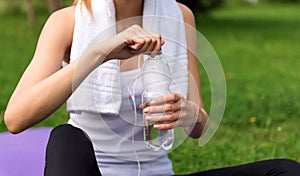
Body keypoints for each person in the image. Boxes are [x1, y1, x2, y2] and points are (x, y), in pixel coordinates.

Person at [4, 0, 300, 175]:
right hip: (94, 170)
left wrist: (191, 113)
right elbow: (16, 118)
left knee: (284, 170)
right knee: (65, 137)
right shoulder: (68, 21)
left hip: (155, 170)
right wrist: (99, 53)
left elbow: (201, 128)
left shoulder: (180, 16)